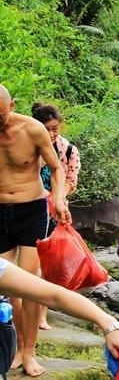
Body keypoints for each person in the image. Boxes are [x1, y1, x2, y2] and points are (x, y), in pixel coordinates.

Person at [0, 84, 71, 376]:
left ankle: (29, 352)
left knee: (29, 282)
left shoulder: (32, 130)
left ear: (12, 106)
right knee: (6, 288)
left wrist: (58, 197)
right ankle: (15, 348)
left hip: (30, 210)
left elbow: (56, 169)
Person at [31, 102, 82, 331]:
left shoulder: (68, 150)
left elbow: (71, 180)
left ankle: (41, 314)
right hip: (25, 207)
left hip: (54, 211)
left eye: (55, 128)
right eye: (47, 128)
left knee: (48, 262)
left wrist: (56, 197)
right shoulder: (28, 143)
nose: (51, 133)